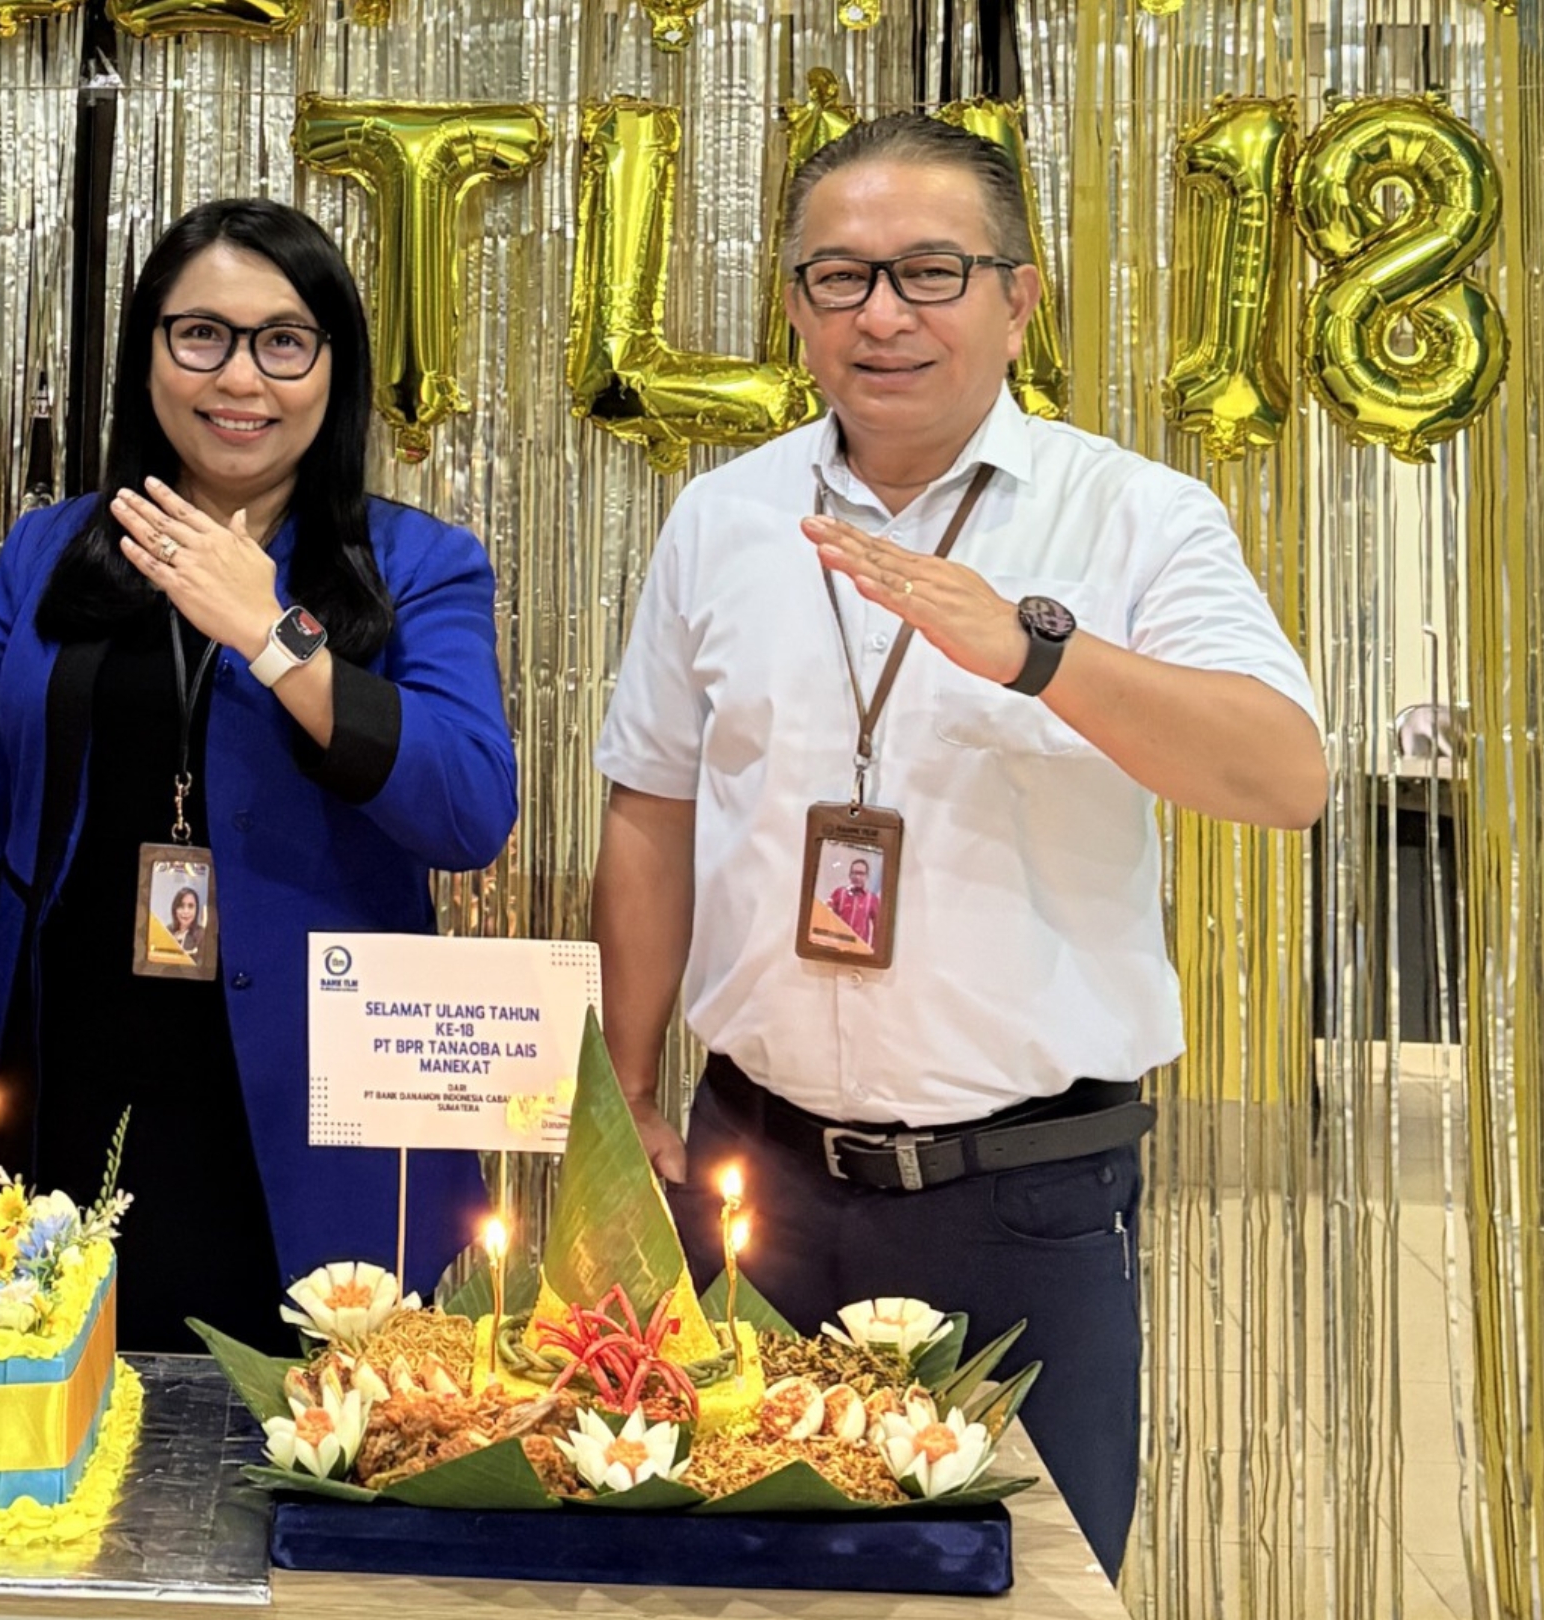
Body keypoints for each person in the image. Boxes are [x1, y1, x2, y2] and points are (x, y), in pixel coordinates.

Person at [590, 114, 1324, 1575]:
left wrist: (1040, 654)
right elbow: (651, 804)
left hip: (1021, 1202)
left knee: (1019, 1584)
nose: (884, 315)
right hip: (754, 1177)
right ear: (796, 305)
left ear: (1019, 298)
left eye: (931, 272)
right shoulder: (724, 518)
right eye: (841, 276)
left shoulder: (1134, 515)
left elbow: (1284, 772)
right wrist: (626, 1084)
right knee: (731, 1583)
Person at [0, 199, 517, 1354]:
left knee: (314, 1451)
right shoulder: (49, 553)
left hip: (311, 1134)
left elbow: (468, 809)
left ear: (334, 368)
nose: (240, 377)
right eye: (201, 335)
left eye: (284, 341)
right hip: (66, 1101)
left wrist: (273, 633)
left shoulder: (419, 564)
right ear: (149, 355)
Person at [827, 856, 877, 948]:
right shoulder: (839, 893)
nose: (857, 877)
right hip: (837, 947)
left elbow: (879, 927)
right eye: (854, 873)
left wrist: (873, 949)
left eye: (861, 874)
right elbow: (827, 918)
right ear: (849, 875)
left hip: (859, 949)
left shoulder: (872, 899)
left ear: (867, 876)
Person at [166, 883, 207, 962]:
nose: (186, 911)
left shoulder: (202, 935)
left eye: (190, 906)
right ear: (175, 909)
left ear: (196, 910)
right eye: (181, 906)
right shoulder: (167, 931)